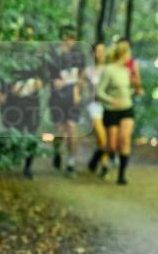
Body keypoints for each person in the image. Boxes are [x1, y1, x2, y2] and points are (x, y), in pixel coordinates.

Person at [46, 26, 86, 175]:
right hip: (57, 98)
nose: (70, 40)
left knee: (72, 128)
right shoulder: (53, 55)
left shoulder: (79, 55)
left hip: (72, 99)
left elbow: (82, 74)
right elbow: (48, 76)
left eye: (73, 37)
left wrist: (77, 90)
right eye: (68, 37)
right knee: (60, 131)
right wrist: (54, 82)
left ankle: (71, 162)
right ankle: (57, 152)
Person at [97, 40, 137, 185]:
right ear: (124, 54)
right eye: (129, 53)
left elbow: (129, 90)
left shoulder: (127, 71)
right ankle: (99, 155)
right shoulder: (109, 70)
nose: (130, 57)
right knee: (112, 145)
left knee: (125, 139)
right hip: (111, 110)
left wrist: (134, 89)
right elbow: (100, 91)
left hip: (127, 109)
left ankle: (122, 175)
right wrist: (111, 100)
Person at [0, 60, 44, 179]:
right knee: (15, 132)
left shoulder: (38, 60)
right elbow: (3, 78)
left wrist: (40, 83)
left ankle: (28, 167)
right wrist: (4, 92)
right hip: (15, 104)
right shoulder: (12, 57)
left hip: (32, 105)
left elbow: (44, 80)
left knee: (32, 136)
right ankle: (10, 160)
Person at [85, 43, 111, 177]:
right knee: (102, 135)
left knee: (105, 136)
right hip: (94, 105)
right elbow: (82, 88)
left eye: (103, 50)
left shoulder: (110, 69)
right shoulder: (88, 70)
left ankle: (102, 161)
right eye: (98, 51)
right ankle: (102, 161)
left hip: (109, 106)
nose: (100, 53)